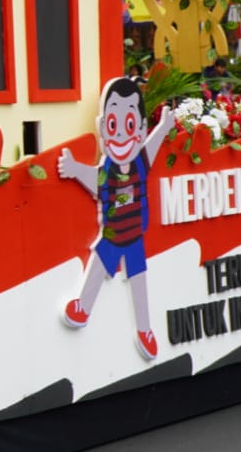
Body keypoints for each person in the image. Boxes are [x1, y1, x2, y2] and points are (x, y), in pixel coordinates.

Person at [57, 76, 175, 362]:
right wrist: (73, 168)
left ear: (141, 128)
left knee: (139, 281)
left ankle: (145, 330)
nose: (121, 134)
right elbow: (96, 182)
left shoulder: (140, 163)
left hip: (134, 235)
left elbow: (153, 145)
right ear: (102, 128)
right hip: (111, 234)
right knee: (97, 268)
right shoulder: (108, 169)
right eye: (113, 125)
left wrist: (165, 127)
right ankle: (82, 308)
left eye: (130, 125)